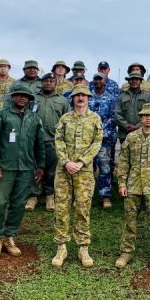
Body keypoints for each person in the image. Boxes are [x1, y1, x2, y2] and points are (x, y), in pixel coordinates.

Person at [0, 83, 46, 260]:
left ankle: (9, 237)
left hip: (26, 169)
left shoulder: (34, 118)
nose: (22, 98)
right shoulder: (1, 115)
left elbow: (39, 144)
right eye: (19, 95)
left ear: (29, 99)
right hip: (4, 168)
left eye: (26, 96)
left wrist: (40, 166)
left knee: (19, 204)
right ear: (12, 96)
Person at [114, 103, 150, 270]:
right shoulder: (131, 137)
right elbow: (123, 161)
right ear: (140, 117)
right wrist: (122, 182)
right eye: (145, 115)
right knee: (130, 220)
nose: (148, 118)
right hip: (133, 185)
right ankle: (126, 251)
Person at [51, 85, 103, 268]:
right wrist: (66, 162)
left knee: (83, 208)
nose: (80, 98)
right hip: (64, 170)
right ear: (72, 98)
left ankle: (83, 247)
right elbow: (58, 141)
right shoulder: (65, 119)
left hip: (84, 170)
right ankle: (61, 247)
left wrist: (81, 162)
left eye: (84, 95)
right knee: (62, 208)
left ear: (88, 98)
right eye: (77, 95)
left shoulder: (95, 118)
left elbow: (97, 143)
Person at [25, 73, 71, 212]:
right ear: (41, 83)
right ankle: (33, 195)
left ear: (55, 83)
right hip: (34, 139)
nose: (48, 83)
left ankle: (50, 195)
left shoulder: (62, 101)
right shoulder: (33, 99)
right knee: (33, 167)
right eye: (46, 81)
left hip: (53, 140)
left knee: (52, 169)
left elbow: (66, 121)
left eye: (51, 81)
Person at [89, 72, 118, 208]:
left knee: (105, 168)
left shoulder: (111, 98)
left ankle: (105, 195)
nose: (98, 81)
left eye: (100, 79)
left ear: (105, 81)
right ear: (93, 81)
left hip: (104, 139)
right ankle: (86, 195)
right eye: (96, 79)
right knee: (87, 168)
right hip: (87, 139)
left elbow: (113, 118)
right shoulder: (88, 97)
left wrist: (101, 131)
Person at [114, 71, 150, 145]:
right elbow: (117, 114)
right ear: (128, 81)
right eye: (131, 79)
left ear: (141, 81)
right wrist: (126, 126)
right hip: (124, 134)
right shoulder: (122, 96)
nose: (134, 81)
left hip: (143, 133)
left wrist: (137, 127)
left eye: (137, 79)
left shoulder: (148, 96)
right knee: (124, 156)